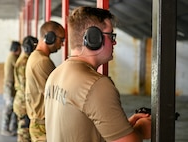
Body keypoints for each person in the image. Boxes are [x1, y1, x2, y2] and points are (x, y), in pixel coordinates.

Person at [44, 6, 151, 142]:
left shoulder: (55, 74)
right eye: (111, 36)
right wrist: (141, 129)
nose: (114, 42)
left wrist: (122, 127)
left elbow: (79, 128)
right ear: (94, 38)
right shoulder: (95, 84)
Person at [25, 21, 65, 142]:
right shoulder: (41, 62)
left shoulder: (37, 57)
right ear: (50, 37)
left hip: (41, 123)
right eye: (61, 39)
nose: (62, 44)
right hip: (43, 126)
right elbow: (56, 96)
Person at [13, 36, 38, 142]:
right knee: (24, 133)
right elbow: (26, 87)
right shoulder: (24, 62)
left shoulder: (24, 59)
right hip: (23, 103)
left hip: (21, 101)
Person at [1, 41, 21, 136]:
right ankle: (4, 128)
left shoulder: (11, 57)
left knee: (12, 107)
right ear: (17, 49)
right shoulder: (13, 58)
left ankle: (12, 128)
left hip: (10, 86)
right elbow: (20, 66)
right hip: (9, 86)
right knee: (9, 107)